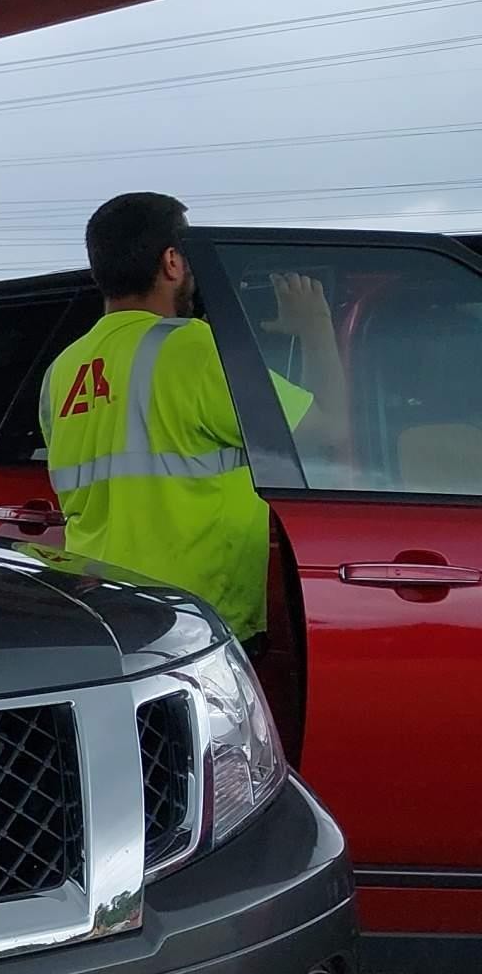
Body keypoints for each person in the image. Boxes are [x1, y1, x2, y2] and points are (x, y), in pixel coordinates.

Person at [41, 192, 341, 645]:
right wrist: (315, 325)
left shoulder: (62, 369)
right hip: (193, 617)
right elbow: (332, 431)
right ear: (172, 261)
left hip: (104, 608)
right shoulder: (192, 349)